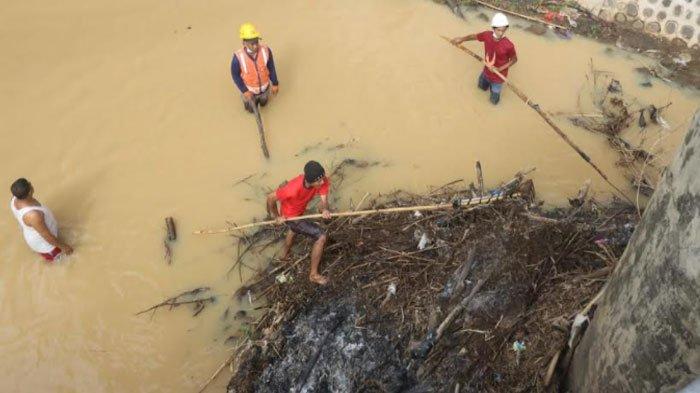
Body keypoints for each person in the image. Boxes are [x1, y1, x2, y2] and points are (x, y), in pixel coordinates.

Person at [266, 161, 331, 285]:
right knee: (321, 237)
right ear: (310, 181)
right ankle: (313, 275)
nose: (322, 182)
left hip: (300, 210)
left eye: (323, 178)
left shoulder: (322, 179)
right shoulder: (292, 189)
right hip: (290, 216)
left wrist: (324, 209)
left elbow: (323, 200)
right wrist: (276, 217)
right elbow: (270, 198)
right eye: (319, 181)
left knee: (293, 230)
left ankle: (284, 256)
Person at [450, 13, 517, 105]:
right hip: (486, 72)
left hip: (498, 78)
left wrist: (499, 69)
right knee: (480, 89)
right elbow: (474, 36)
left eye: (503, 30)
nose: (501, 33)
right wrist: (462, 39)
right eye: (498, 30)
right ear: (493, 28)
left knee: (494, 101)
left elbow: (514, 60)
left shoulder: (508, 45)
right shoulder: (487, 35)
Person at [9, 178, 73, 262]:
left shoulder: (14, 199)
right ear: (29, 192)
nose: (31, 183)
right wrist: (64, 247)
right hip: (47, 247)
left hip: (34, 234)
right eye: (29, 184)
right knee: (65, 261)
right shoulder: (33, 215)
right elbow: (47, 236)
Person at [231, 22, 280, 113]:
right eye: (252, 43)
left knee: (264, 104)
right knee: (250, 110)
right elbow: (235, 76)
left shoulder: (266, 51)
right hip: (249, 92)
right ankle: (250, 107)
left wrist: (275, 83)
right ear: (244, 43)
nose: (255, 46)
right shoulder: (237, 58)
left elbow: (271, 67)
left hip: (264, 89)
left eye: (256, 42)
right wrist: (244, 91)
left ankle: (262, 103)